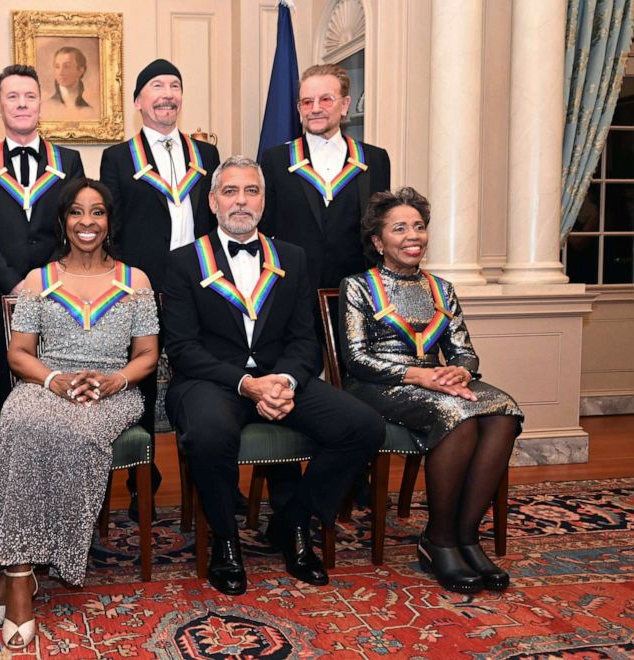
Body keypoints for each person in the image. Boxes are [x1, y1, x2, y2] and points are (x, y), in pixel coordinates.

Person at [162, 156, 384, 595]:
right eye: (230, 191)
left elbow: (306, 339)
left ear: (264, 200)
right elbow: (183, 349)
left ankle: (292, 523)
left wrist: (285, 381)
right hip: (212, 381)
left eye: (251, 191)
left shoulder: (295, 258)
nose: (241, 201)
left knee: (363, 427)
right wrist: (246, 384)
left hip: (281, 378)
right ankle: (226, 542)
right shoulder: (184, 262)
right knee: (208, 435)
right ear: (212, 202)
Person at [0, 178, 159, 650]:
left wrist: (115, 380)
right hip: (45, 382)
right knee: (18, 424)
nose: (87, 222)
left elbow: (146, 355)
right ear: (62, 220)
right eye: (77, 212)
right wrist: (54, 379)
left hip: (112, 391)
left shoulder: (135, 281)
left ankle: (20, 566)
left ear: (109, 221)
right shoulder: (39, 280)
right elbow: (19, 353)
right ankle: (19, 575)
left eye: (97, 212)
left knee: (77, 434)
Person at [339, 187, 523, 594]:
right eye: (399, 228)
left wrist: (458, 371)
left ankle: (467, 536)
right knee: (457, 415)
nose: (412, 236)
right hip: (376, 385)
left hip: (437, 381)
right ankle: (438, 540)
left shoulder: (442, 288)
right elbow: (356, 359)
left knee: (504, 410)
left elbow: (464, 352)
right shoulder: (357, 286)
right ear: (378, 241)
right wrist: (420, 376)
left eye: (419, 227)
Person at [99, 59, 220, 516]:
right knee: (141, 387)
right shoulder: (118, 157)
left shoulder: (206, 155)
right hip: (142, 291)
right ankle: (141, 483)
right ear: (138, 101)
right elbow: (111, 228)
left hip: (201, 288)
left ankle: (207, 476)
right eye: (156, 86)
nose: (167, 93)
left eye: (175, 85)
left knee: (203, 381)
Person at [0, 64, 85, 483]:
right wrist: (16, 285)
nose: (21, 104)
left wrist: (43, 283)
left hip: (59, 297)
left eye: (29, 96)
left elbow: (77, 226)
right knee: (3, 388)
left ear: (40, 104)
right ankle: (3, 479)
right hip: (1, 300)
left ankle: (57, 477)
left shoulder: (68, 160)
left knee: (57, 390)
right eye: (12, 97)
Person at [259, 63, 390, 292]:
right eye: (307, 102)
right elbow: (265, 229)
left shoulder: (375, 159)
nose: (315, 108)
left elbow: (381, 231)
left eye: (326, 99)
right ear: (299, 109)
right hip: (293, 291)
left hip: (358, 293)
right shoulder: (275, 160)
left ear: (345, 105)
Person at [46, 46, 97, 120]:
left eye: (67, 66)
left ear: (80, 70)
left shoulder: (89, 111)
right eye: (57, 67)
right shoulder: (46, 107)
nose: (60, 72)